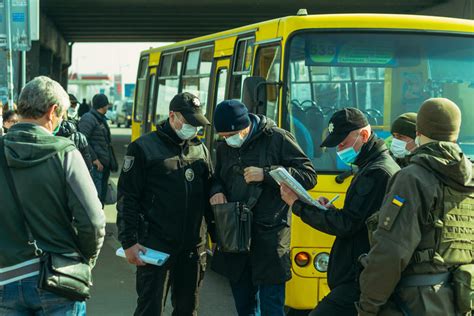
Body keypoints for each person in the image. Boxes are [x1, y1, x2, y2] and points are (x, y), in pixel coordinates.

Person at [357, 98, 474, 316]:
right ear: (456, 132)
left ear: (419, 131)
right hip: (462, 298)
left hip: (415, 302)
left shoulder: (412, 178)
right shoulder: (469, 179)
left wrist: (368, 306)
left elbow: (391, 251)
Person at [0, 76, 105, 314]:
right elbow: (94, 222)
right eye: (63, 115)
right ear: (52, 111)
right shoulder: (66, 154)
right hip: (59, 280)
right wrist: (85, 261)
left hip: (5, 280)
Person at [280, 107, 400, 316]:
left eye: (342, 143)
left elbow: (347, 224)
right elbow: (360, 218)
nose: (339, 149)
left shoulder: (376, 172)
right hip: (360, 273)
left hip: (360, 276)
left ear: (363, 135)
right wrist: (332, 210)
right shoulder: (370, 165)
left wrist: (298, 205)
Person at [210, 100, 317, 316]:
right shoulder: (224, 147)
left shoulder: (277, 138)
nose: (227, 140)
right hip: (236, 237)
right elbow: (217, 177)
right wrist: (216, 190)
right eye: (222, 136)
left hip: (270, 236)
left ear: (246, 125)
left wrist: (267, 174)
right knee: (243, 305)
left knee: (271, 306)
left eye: (231, 134)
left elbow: (308, 176)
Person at [117, 92, 215, 316]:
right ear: (173, 116)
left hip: (192, 246)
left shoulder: (200, 150)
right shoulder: (143, 148)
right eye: (189, 123)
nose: (194, 128)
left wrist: (216, 235)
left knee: (187, 309)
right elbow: (127, 198)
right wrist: (129, 241)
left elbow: (210, 193)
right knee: (150, 309)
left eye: (197, 124)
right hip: (155, 245)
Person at [78, 93, 118, 204]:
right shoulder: (88, 118)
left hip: (103, 165)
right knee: (96, 197)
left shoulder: (100, 119)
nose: (108, 107)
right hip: (96, 166)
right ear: (103, 105)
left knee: (101, 197)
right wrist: (94, 159)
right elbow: (82, 140)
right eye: (107, 104)